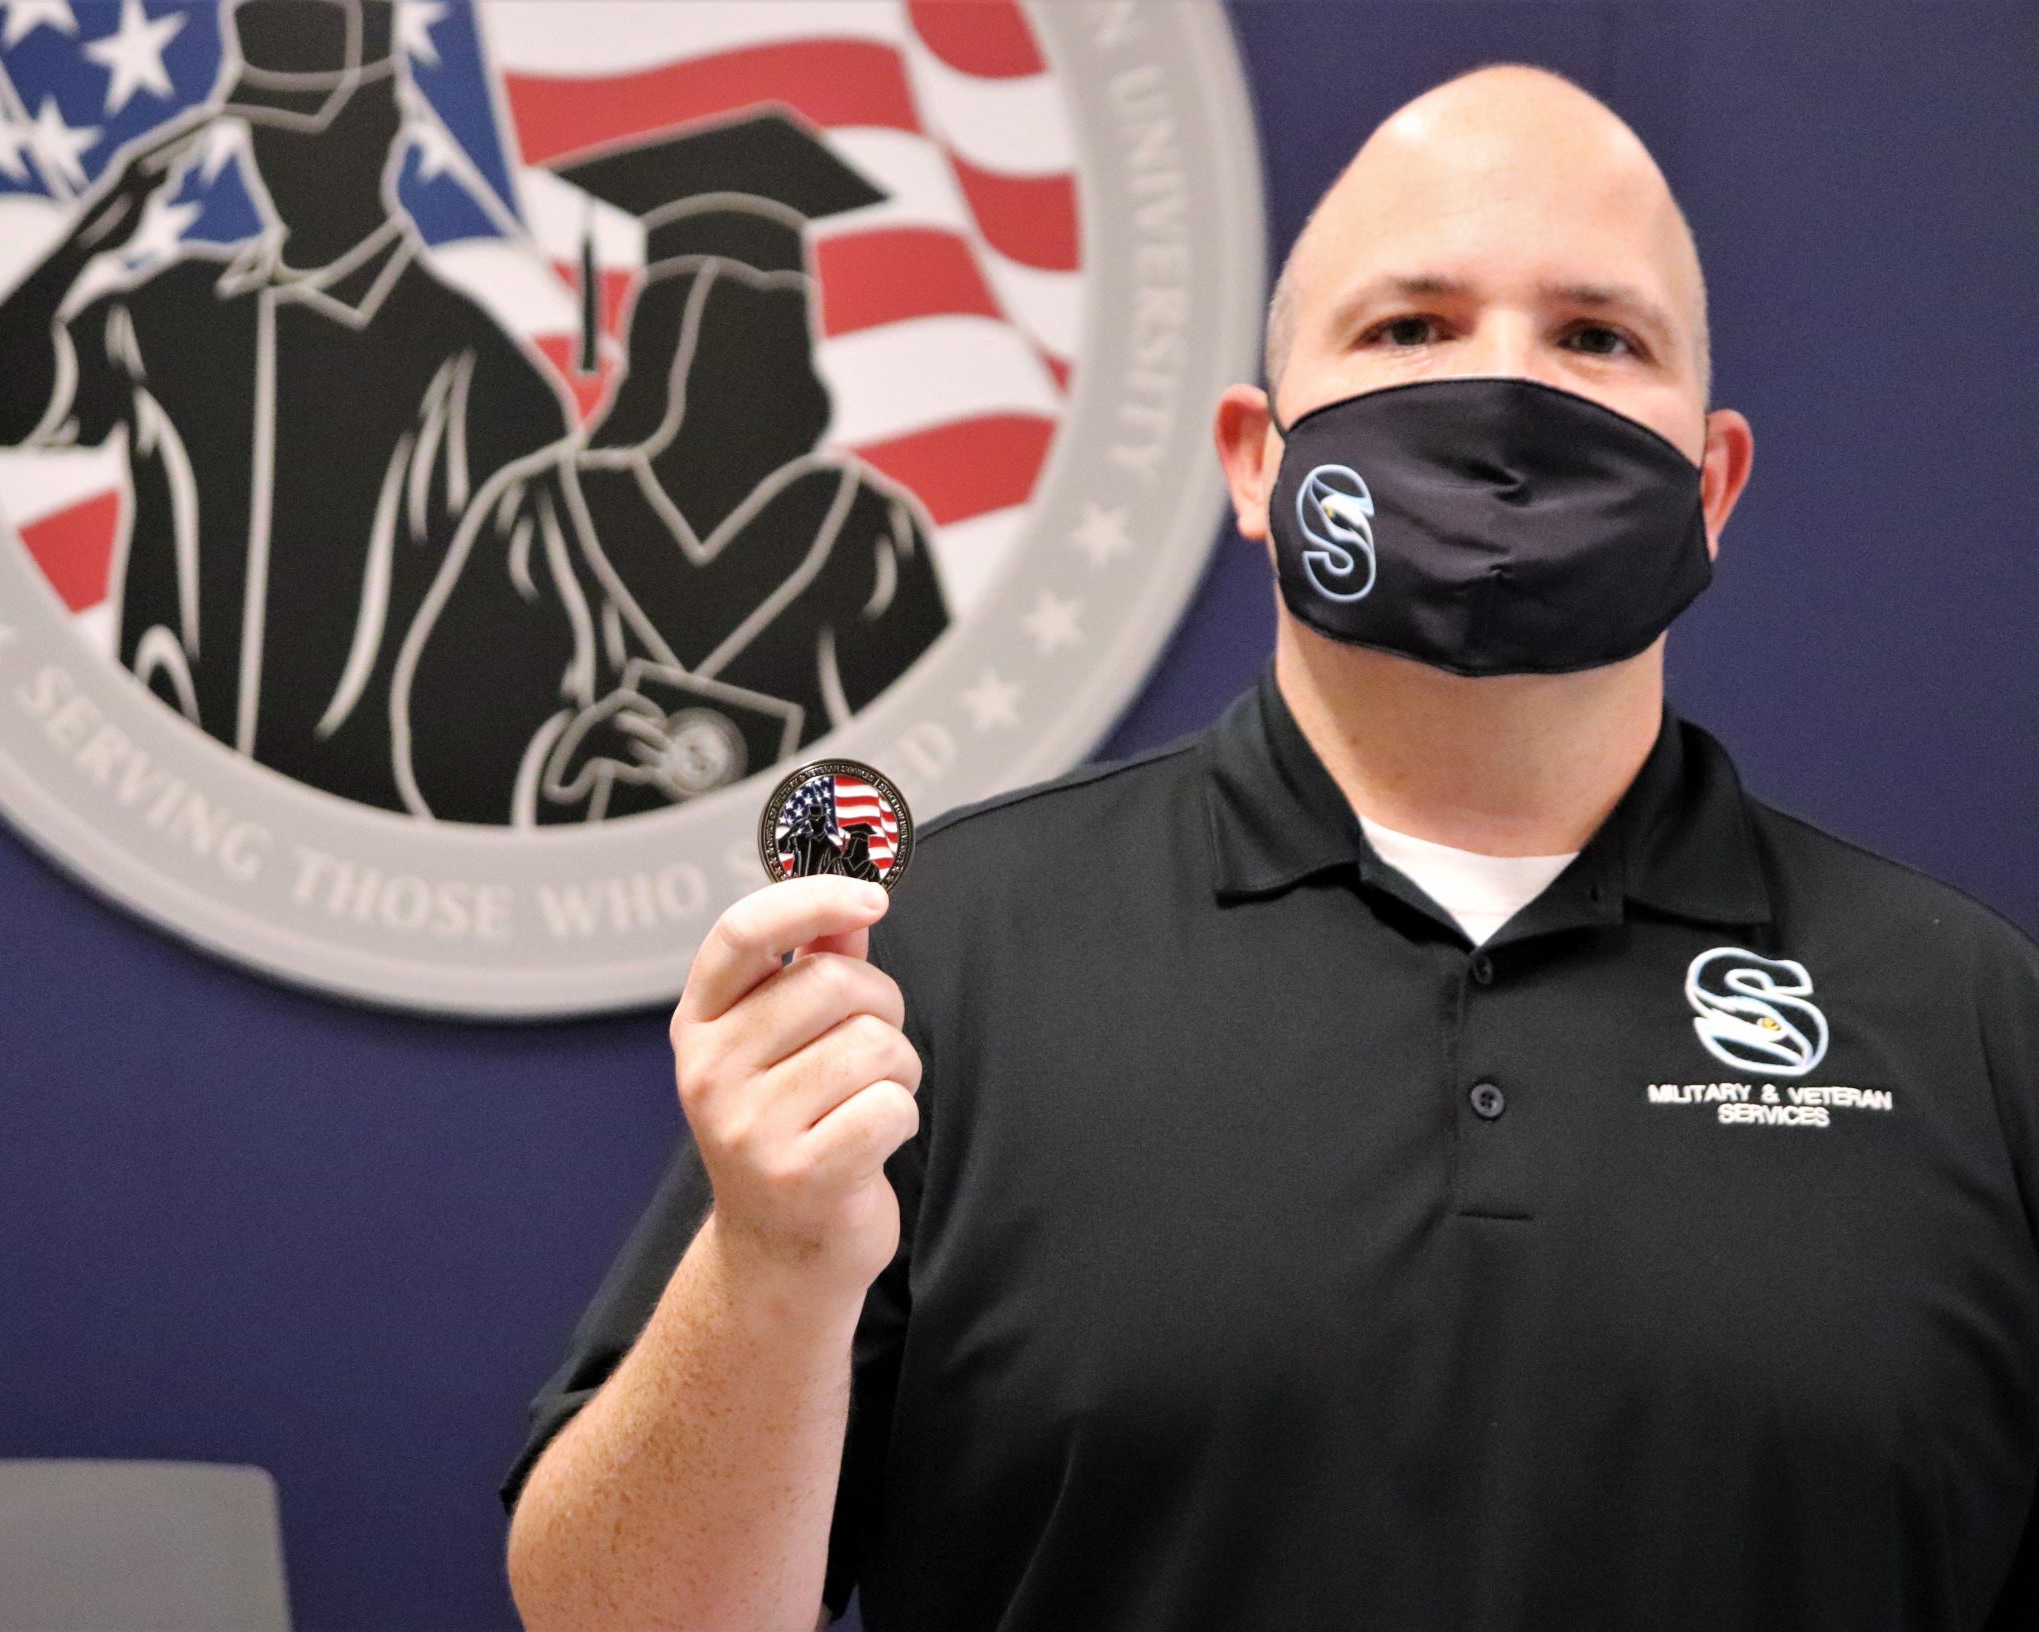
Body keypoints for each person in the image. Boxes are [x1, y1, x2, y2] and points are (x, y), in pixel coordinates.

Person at [496, 64, 2039, 1632]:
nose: (1506, 396)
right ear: (1254, 458)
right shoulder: (953, 961)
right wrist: (772, 1269)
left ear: (1710, 487)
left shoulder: (1972, 1027)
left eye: (1597, 337)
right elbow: (610, 1618)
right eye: (1408, 328)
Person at [0, 0, 567, 812]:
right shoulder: (172, 311)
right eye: (264, 128)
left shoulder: (486, 377)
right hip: (150, 804)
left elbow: (517, 666)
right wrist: (86, 243)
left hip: (372, 834)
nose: (283, 158)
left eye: (312, 126)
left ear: (383, 123)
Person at [394, 110, 950, 826]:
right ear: (655, 340)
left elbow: (930, 751)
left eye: (757, 329)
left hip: (796, 905)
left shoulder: (866, 533)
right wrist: (569, 750)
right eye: (701, 327)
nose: (724, 362)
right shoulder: (537, 513)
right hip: (581, 900)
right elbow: (443, 728)